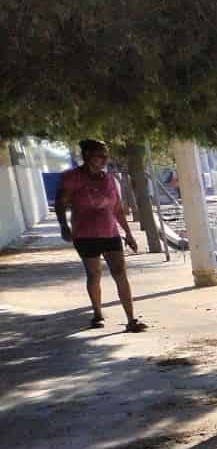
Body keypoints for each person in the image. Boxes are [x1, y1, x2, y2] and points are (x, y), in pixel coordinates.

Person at [56, 139, 146, 331]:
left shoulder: (109, 179)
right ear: (87, 155)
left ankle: (131, 319)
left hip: (110, 233)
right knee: (94, 274)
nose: (105, 159)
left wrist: (128, 234)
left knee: (120, 273)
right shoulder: (72, 178)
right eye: (100, 155)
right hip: (85, 234)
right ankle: (97, 312)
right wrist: (64, 225)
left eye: (106, 155)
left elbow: (117, 209)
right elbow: (60, 203)